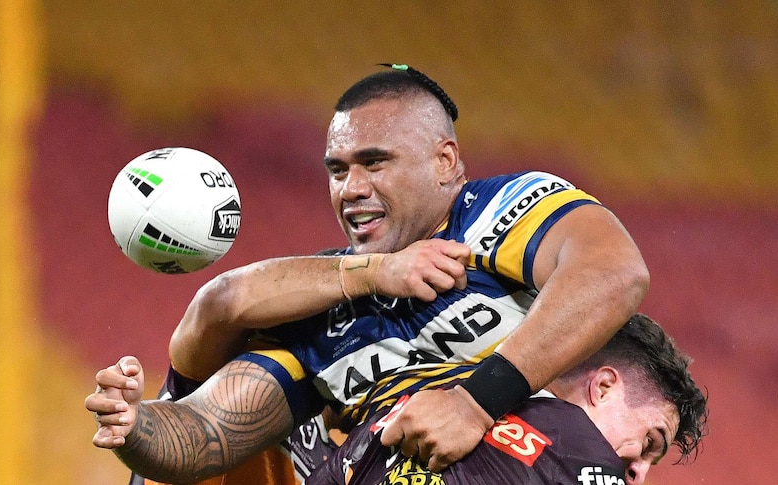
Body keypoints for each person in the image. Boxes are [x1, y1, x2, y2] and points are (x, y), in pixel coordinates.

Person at [87, 64, 651, 482]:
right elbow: (207, 431)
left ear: (445, 162)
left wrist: (475, 401)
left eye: (374, 163)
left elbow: (615, 272)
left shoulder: (500, 210)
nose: (350, 190)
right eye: (337, 170)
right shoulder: (326, 313)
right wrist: (134, 429)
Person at [307, 313, 707, 485]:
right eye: (649, 443)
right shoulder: (586, 461)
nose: (639, 471)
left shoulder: (419, 401)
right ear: (602, 387)